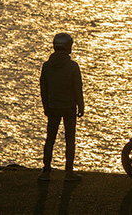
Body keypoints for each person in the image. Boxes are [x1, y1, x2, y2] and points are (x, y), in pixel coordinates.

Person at [38, 32, 85, 181]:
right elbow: (78, 88)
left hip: (52, 107)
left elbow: (43, 89)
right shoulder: (72, 66)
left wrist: (46, 106)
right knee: (70, 139)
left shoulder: (46, 66)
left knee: (50, 139)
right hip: (69, 107)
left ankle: (46, 171)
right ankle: (69, 172)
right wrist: (81, 106)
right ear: (68, 47)